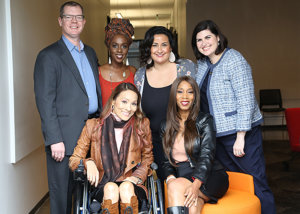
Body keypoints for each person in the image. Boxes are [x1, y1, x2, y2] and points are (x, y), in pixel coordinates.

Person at [191, 20, 276, 214]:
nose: (204, 43)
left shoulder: (234, 59)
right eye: (199, 40)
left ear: (218, 37)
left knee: (255, 181)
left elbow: (246, 99)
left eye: (208, 37)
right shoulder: (202, 64)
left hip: (240, 135)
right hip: (217, 136)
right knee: (234, 182)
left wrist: (240, 136)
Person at [34, 1, 102, 213]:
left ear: (84, 21)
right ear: (60, 21)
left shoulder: (90, 53)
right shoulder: (49, 56)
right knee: (63, 196)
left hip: (92, 135)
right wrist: (54, 139)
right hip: (63, 140)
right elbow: (45, 101)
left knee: (90, 195)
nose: (74, 21)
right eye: (69, 17)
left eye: (79, 17)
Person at [69, 83, 153, 214]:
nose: (129, 108)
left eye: (133, 104)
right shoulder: (93, 126)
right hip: (104, 185)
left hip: (133, 183)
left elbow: (148, 159)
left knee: (126, 187)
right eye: (124, 101)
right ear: (113, 101)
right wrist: (88, 163)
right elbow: (74, 160)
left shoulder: (142, 125)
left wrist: (136, 177)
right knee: (111, 188)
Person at [134, 26, 196, 180]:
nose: (159, 49)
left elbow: (196, 101)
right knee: (164, 187)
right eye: (154, 45)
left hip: (184, 141)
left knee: (186, 187)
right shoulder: (140, 75)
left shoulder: (185, 68)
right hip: (155, 144)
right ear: (148, 48)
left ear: (171, 47)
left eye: (164, 44)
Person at [161, 76, 229, 214]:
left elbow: (207, 155)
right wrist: (170, 179)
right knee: (192, 206)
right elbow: (165, 161)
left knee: (176, 186)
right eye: (180, 92)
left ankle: (192, 190)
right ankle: (196, 196)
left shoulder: (205, 120)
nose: (185, 96)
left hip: (209, 176)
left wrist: (195, 185)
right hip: (182, 175)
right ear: (174, 95)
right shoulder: (165, 125)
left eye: (190, 92)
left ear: (195, 96)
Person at [99, 18, 136, 106]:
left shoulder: (133, 71)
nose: (119, 50)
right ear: (109, 47)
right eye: (115, 46)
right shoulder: (98, 72)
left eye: (124, 46)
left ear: (128, 48)